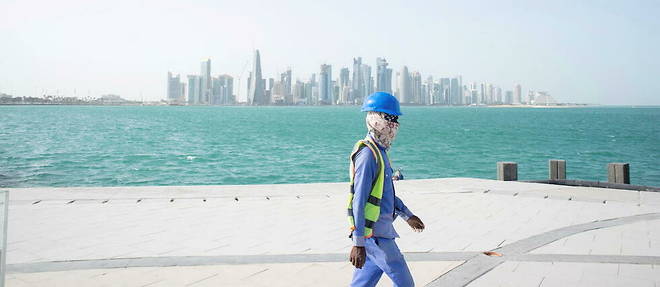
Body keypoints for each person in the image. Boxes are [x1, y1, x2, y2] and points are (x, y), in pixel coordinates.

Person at [347, 92, 425, 287]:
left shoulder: (380, 152)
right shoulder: (367, 155)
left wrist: (408, 215)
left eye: (396, 119)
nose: (394, 124)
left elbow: (385, 195)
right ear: (375, 119)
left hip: (376, 235)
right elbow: (359, 200)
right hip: (375, 237)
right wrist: (358, 242)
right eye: (390, 118)